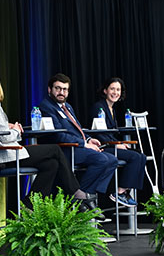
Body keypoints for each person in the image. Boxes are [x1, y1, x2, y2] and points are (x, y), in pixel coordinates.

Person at [0, 68, 91, 213]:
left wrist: (10, 128)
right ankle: (74, 192)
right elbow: (4, 137)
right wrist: (15, 130)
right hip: (4, 155)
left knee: (51, 164)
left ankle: (29, 205)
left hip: (7, 152)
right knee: (54, 150)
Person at [39, 73, 119, 214]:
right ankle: (85, 197)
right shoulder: (46, 107)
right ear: (49, 89)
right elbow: (58, 135)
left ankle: (84, 195)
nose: (61, 92)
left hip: (78, 146)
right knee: (102, 159)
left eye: (65, 89)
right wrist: (83, 144)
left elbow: (78, 129)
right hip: (65, 150)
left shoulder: (67, 107)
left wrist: (88, 139)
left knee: (112, 160)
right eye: (58, 88)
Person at [90, 77, 147, 206]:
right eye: (112, 89)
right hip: (103, 146)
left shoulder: (113, 109)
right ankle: (120, 192)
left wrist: (120, 143)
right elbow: (99, 133)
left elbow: (110, 133)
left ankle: (126, 191)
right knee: (135, 157)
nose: (115, 92)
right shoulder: (98, 107)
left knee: (142, 156)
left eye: (118, 90)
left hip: (112, 144)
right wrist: (116, 144)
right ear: (105, 90)